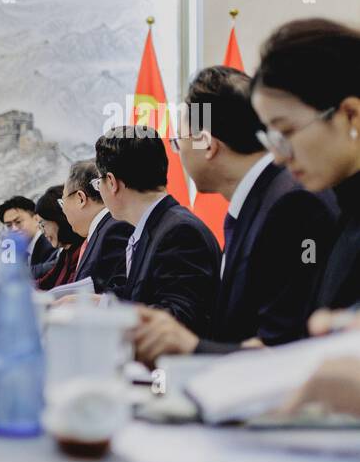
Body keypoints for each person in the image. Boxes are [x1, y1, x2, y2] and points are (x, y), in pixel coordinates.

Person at [134, 66, 338, 364]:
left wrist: (191, 346)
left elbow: (286, 346)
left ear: (207, 143)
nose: (179, 154)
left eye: (178, 142)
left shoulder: (291, 205)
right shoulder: (259, 200)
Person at [249, 18, 360, 314]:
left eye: (286, 132)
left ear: (351, 115)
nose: (279, 157)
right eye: (271, 137)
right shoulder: (341, 212)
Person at [96, 125, 221, 335]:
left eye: (97, 181)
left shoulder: (179, 233)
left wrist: (108, 311)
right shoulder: (156, 225)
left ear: (111, 182)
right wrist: (100, 302)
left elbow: (178, 319)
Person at [60, 159, 132, 295]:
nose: (63, 211)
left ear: (80, 198)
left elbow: (122, 292)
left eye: (63, 202)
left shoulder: (114, 229)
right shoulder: (102, 230)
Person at [32, 186, 84, 290]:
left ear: (59, 219)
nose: (42, 232)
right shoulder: (66, 253)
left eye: (43, 224)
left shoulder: (81, 251)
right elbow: (45, 282)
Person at [0, 195, 54, 270]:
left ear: (36, 219)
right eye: (9, 225)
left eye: (18, 222)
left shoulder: (51, 245)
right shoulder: (15, 252)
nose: (14, 229)